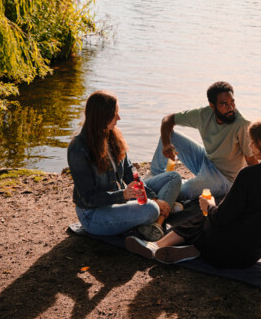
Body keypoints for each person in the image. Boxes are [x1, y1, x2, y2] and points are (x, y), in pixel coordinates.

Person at [127, 116, 261, 273]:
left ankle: (158, 245)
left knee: (203, 215)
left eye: (252, 143)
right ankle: (194, 250)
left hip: (223, 249)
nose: (250, 147)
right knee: (222, 215)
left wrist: (208, 206)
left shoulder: (249, 175)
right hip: (252, 253)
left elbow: (221, 218)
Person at [68, 90, 182, 241]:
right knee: (150, 209)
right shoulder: (79, 148)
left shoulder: (113, 136)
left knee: (173, 177)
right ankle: (159, 214)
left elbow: (130, 173)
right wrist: (123, 195)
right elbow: (88, 198)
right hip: (93, 214)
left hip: (121, 199)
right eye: (115, 113)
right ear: (102, 116)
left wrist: (153, 197)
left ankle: (155, 221)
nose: (119, 118)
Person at [149, 81, 257, 200]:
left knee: (179, 191)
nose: (230, 107)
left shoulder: (242, 124)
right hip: (206, 160)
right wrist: (166, 145)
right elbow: (168, 119)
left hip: (224, 178)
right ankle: (154, 176)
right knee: (170, 136)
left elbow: (251, 160)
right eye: (224, 104)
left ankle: (155, 190)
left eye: (232, 102)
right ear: (212, 106)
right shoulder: (203, 114)